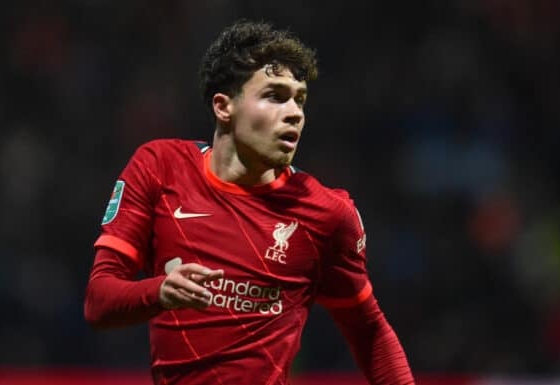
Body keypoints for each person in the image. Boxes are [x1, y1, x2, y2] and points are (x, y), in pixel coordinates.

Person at [84, 19, 415, 385]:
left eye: (299, 99)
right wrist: (159, 291)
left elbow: (370, 332)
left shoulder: (327, 214)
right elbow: (99, 302)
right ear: (224, 107)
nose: (294, 113)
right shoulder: (160, 168)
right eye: (274, 96)